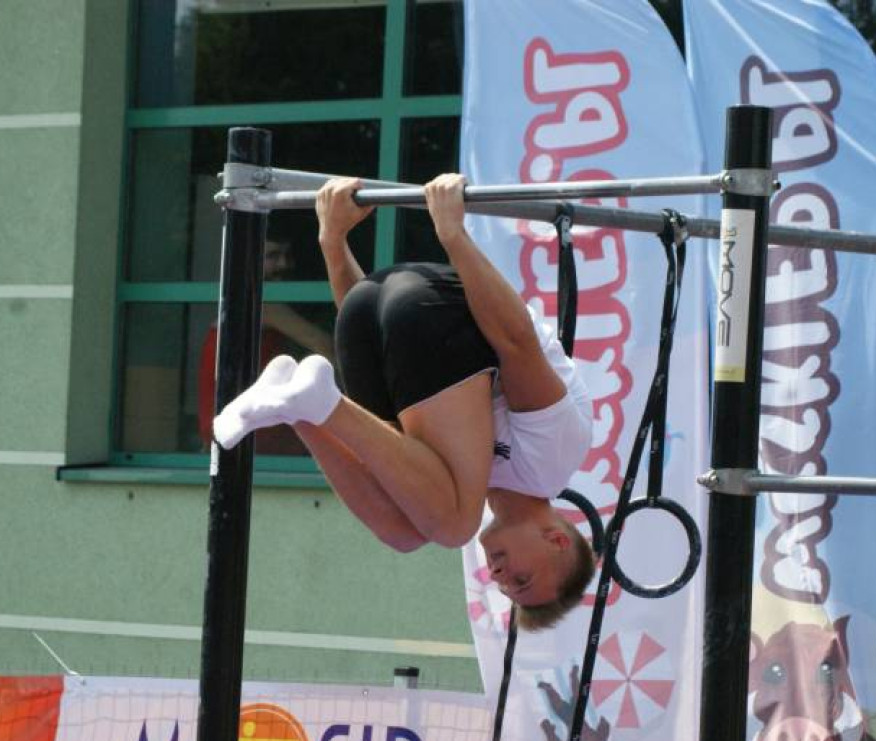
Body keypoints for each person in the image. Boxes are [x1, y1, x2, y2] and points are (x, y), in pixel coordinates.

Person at [214, 174, 595, 631]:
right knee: (453, 527)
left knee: (405, 531)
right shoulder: (553, 459)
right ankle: (319, 406)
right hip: (437, 301)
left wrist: (332, 242)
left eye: (504, 587)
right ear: (557, 540)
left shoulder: (457, 485)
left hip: (370, 308)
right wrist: (453, 234)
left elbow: (379, 346)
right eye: (522, 578)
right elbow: (516, 343)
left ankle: (298, 405)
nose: (498, 575)